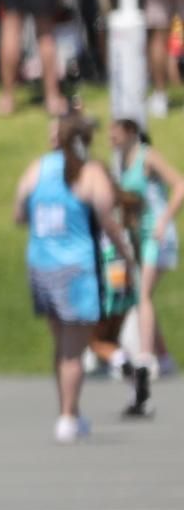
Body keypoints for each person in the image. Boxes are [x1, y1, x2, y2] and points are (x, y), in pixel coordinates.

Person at [20, 111, 136, 445]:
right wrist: (126, 255)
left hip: (41, 265)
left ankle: (68, 410)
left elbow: (19, 211)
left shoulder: (37, 169)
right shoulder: (90, 172)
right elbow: (108, 219)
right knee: (75, 349)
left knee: (62, 346)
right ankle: (68, 417)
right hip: (76, 268)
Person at [107, 118, 177, 416]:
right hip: (139, 236)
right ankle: (164, 356)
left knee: (142, 294)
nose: (111, 136)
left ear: (131, 133)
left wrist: (164, 219)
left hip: (157, 234)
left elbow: (180, 185)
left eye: (116, 131)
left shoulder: (147, 156)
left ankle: (146, 358)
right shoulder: (122, 162)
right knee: (142, 294)